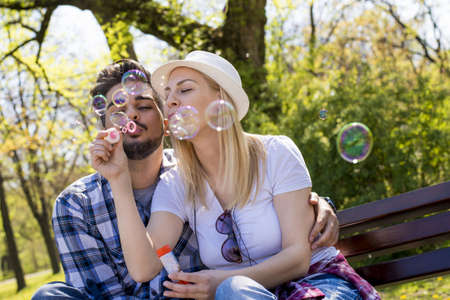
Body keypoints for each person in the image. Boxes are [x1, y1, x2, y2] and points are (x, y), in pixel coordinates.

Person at [31, 58, 339, 299]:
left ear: (166, 124)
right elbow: (129, 277)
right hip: (232, 294)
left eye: (144, 106)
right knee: (49, 295)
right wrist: (118, 181)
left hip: (252, 291)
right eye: (119, 109)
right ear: (104, 126)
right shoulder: (78, 203)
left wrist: (320, 204)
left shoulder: (185, 174)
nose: (132, 116)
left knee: (235, 291)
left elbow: (262, 197)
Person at [93, 51, 380, 300]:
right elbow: (143, 267)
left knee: (234, 290)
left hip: (316, 284)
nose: (171, 101)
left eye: (185, 89)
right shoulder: (176, 183)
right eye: (167, 94)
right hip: (243, 296)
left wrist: (221, 282)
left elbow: (298, 258)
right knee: (236, 292)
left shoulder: (276, 153)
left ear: (221, 97)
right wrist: (118, 180)